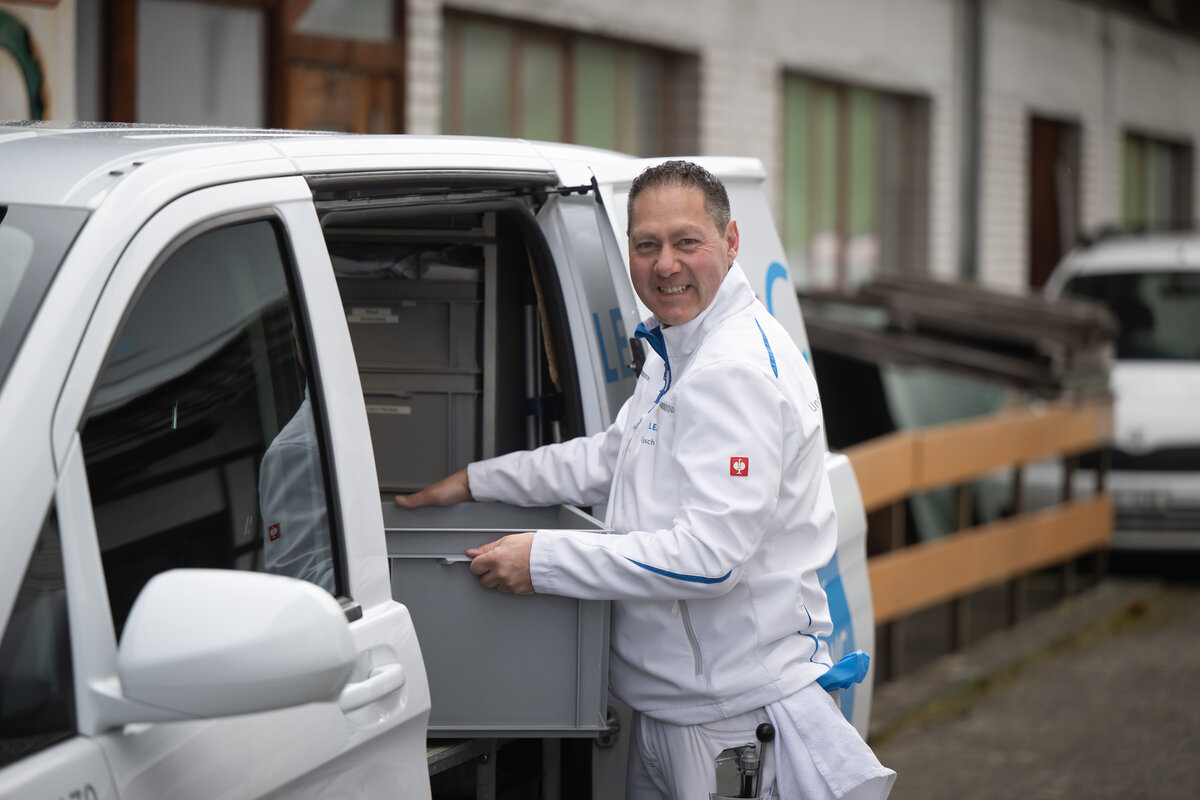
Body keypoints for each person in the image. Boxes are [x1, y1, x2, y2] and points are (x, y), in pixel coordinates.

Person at [397, 161, 894, 799]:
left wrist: (543, 561)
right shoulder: (680, 343)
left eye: (687, 241)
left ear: (730, 241)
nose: (665, 265)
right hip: (677, 708)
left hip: (728, 721)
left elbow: (711, 559)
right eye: (646, 245)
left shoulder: (732, 371)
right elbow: (614, 456)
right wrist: (474, 482)